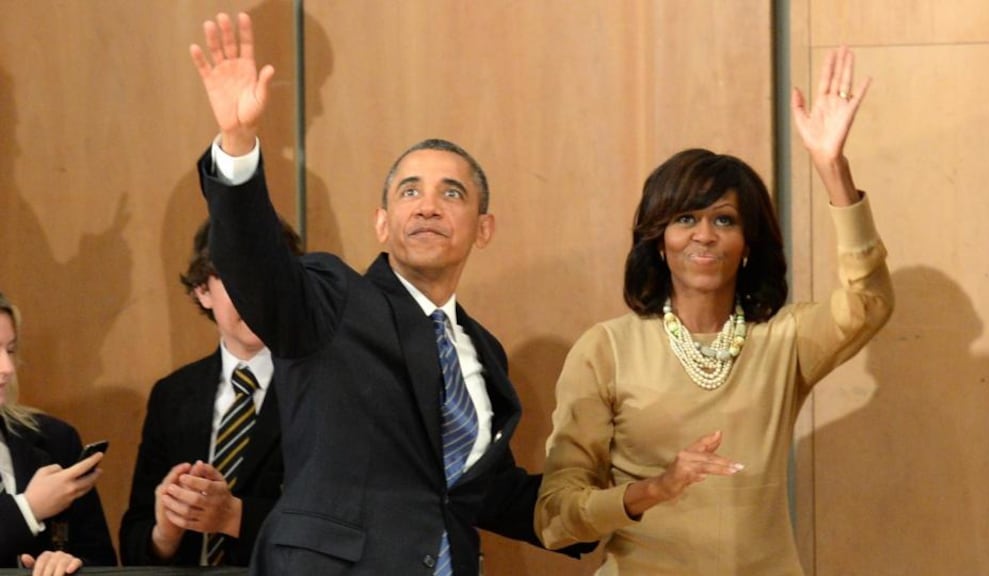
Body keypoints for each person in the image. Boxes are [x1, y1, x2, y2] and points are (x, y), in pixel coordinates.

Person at [186, 12, 592, 575]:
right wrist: (237, 142)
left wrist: (622, 503)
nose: (428, 205)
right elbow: (255, 268)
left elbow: (479, 493)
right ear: (382, 223)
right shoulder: (329, 302)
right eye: (409, 192)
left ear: (483, 228)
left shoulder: (482, 351)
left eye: (451, 193)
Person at [535, 47, 894, 575]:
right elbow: (556, 516)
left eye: (724, 220)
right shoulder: (606, 348)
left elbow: (869, 303)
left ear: (748, 243)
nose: (704, 235)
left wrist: (833, 169)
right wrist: (651, 490)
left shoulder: (783, 340)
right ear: (659, 240)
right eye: (685, 218)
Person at [120, 218, 301, 566]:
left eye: (269, 277)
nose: (255, 295)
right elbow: (133, 540)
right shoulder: (172, 395)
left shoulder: (323, 390)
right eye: (236, 278)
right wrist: (165, 533)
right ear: (202, 290)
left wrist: (235, 517)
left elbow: (335, 524)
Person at [0, 291, 117, 574]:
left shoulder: (56, 439)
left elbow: (102, 560)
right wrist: (28, 509)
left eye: (11, 350)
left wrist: (72, 565)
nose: (7, 368)